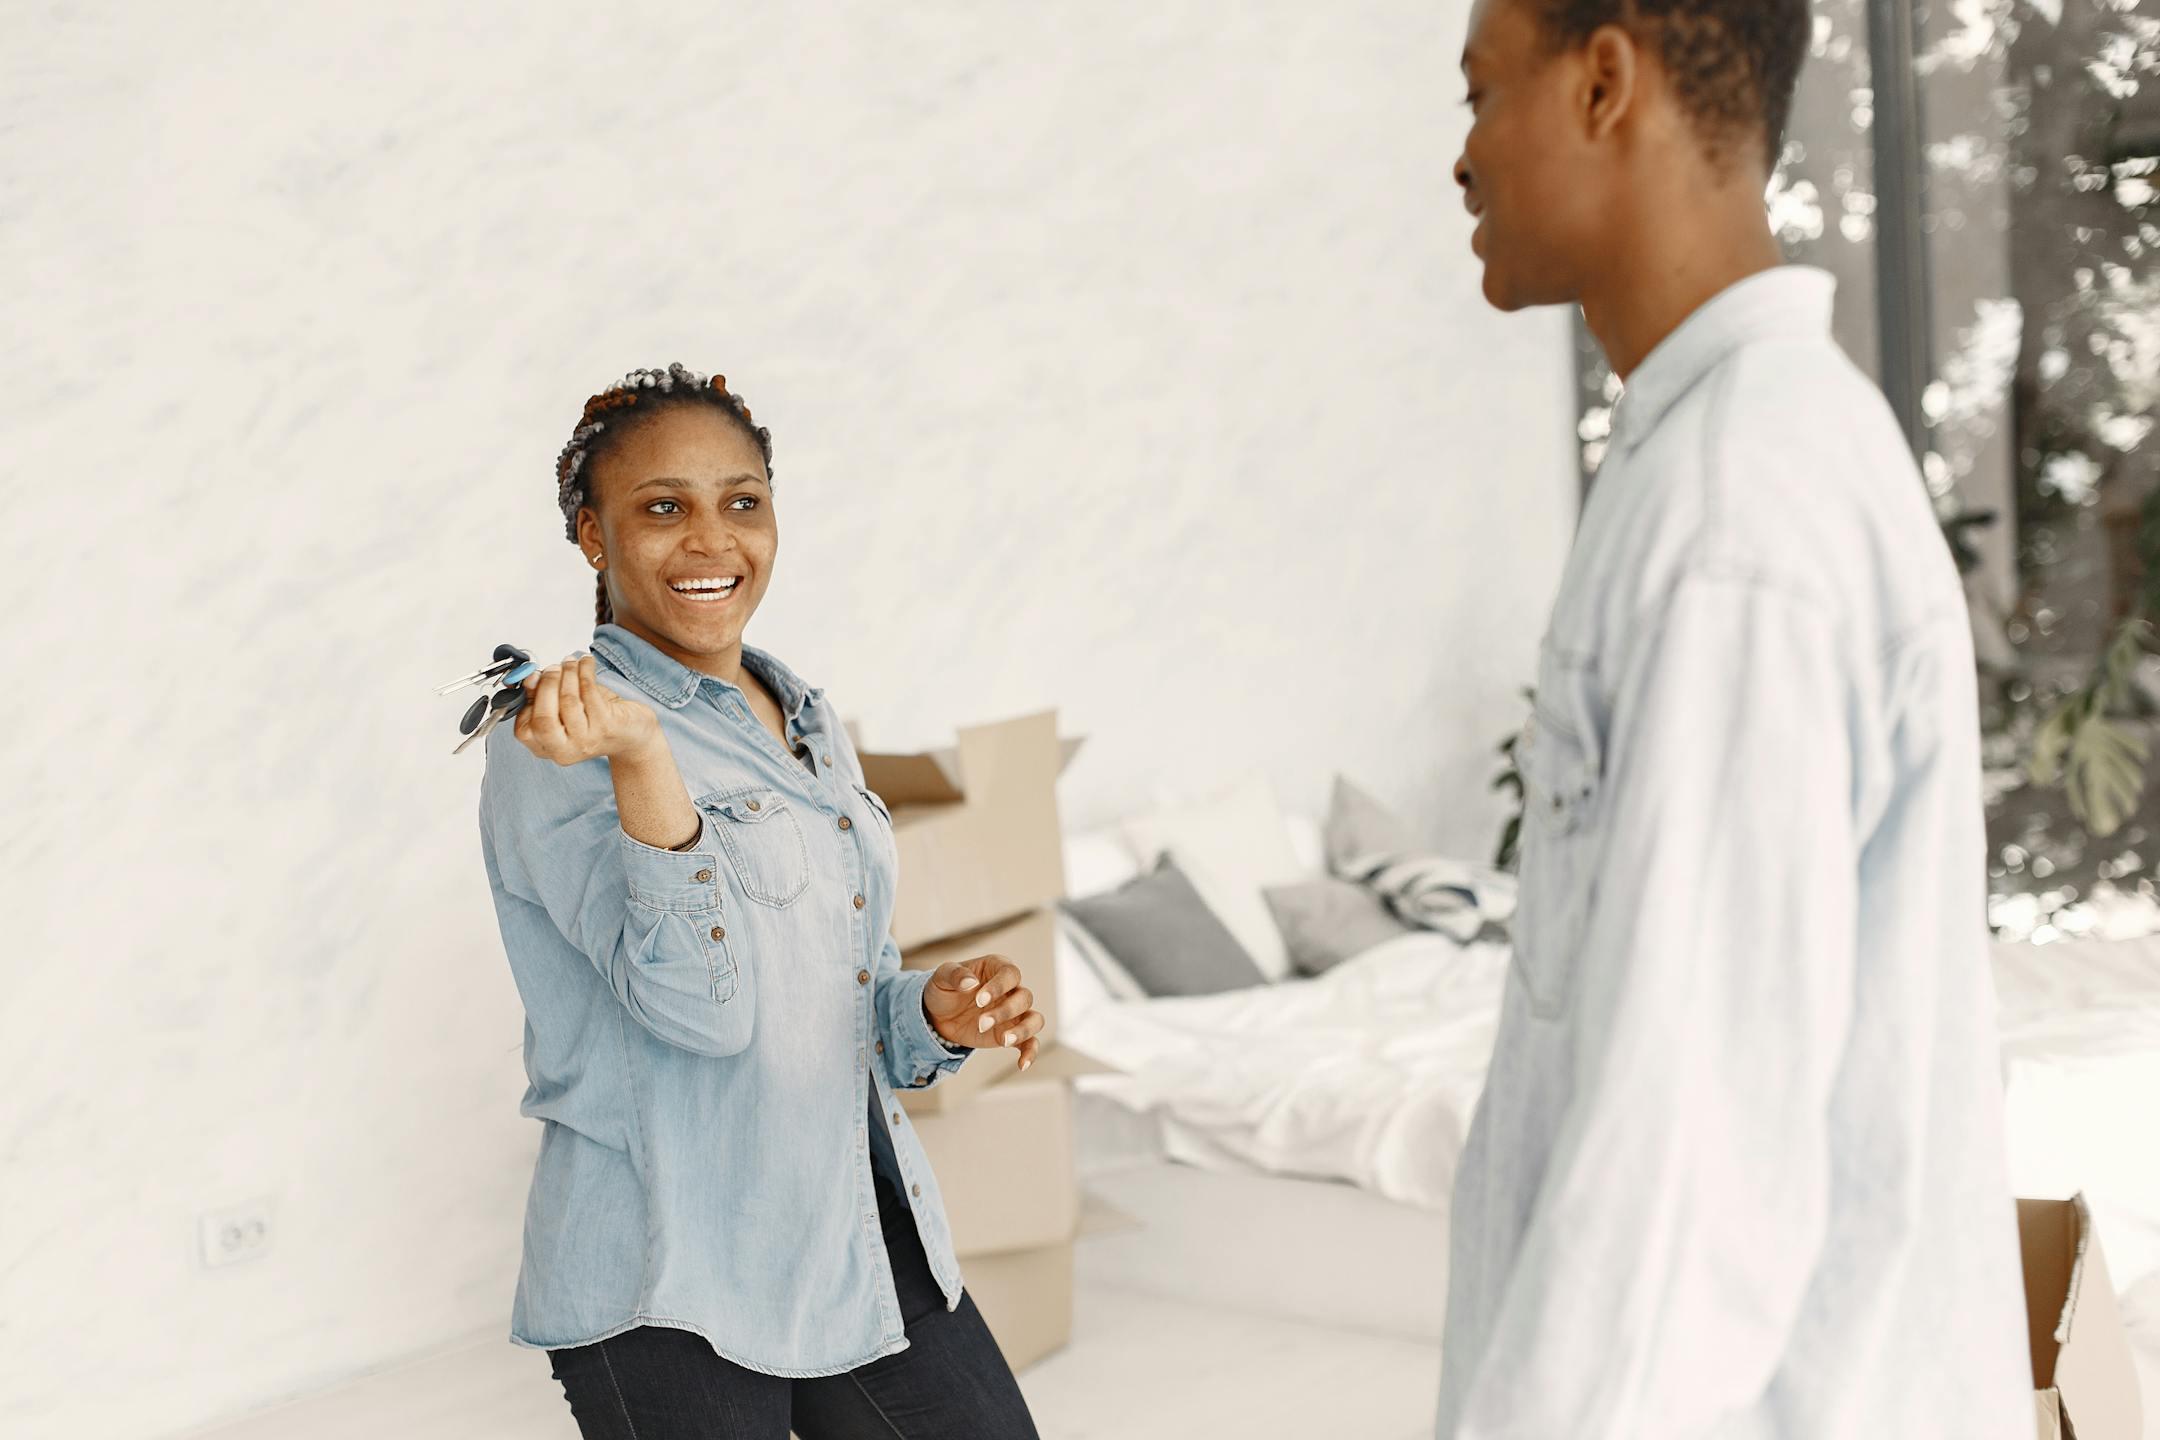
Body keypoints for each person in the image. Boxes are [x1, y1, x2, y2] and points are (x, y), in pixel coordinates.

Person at [1437, 2, 2032, 1434]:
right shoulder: (1732, 454)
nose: (1460, 160)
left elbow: (1685, 1175)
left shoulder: (1731, 519)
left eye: (1478, 95)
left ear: (1601, 85)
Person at [478, 363, 1046, 1439]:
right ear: (594, 539)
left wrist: (932, 1010)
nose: (710, 540)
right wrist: (644, 755)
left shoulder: (804, 716)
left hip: (850, 1230)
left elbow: (833, 995)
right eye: (661, 509)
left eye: (741, 502)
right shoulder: (559, 737)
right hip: (671, 1276)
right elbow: (700, 1010)